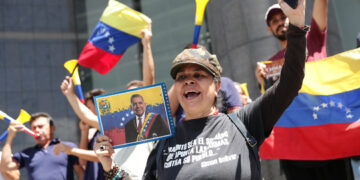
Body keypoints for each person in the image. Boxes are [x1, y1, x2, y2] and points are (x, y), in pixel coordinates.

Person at [94, 0, 307, 179]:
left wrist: (296, 27)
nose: (188, 81)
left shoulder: (244, 122)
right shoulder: (164, 144)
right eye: (181, 77)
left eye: (199, 75)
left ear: (218, 85)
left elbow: (290, 82)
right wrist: (109, 167)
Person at [60, 24, 157, 180]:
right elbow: (86, 116)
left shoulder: (148, 119)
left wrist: (146, 45)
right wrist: (70, 95)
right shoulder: (115, 122)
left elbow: (149, 82)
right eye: (128, 95)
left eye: (136, 95)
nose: (132, 100)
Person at [255, 0, 328, 91]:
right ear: (270, 29)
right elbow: (273, 100)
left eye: (283, 17)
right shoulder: (270, 65)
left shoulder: (311, 36)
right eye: (274, 21)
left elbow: (321, 2)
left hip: (323, 101)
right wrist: (262, 83)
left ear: (290, 17)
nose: (280, 23)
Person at [0, 112, 84, 180]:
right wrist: (10, 137)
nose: (37, 130)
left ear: (52, 128)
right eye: (34, 127)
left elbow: (80, 172)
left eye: (40, 127)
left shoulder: (67, 147)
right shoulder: (26, 153)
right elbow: (6, 169)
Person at [54, 89, 107, 180]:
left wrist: (71, 150)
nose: (87, 111)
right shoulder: (96, 133)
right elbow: (83, 161)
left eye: (88, 108)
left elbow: (102, 156)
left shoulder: (109, 130)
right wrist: (84, 131)